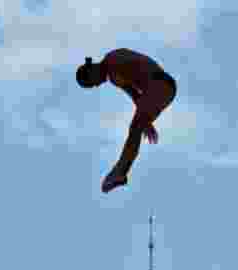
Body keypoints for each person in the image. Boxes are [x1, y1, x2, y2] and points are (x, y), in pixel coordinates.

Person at [76, 49, 178, 193]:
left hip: (160, 83)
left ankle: (120, 172)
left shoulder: (113, 60)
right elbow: (135, 95)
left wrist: (143, 117)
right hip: (160, 88)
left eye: (93, 83)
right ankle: (120, 172)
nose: (98, 85)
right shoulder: (112, 74)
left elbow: (141, 65)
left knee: (135, 128)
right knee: (136, 128)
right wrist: (145, 120)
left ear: (92, 70)